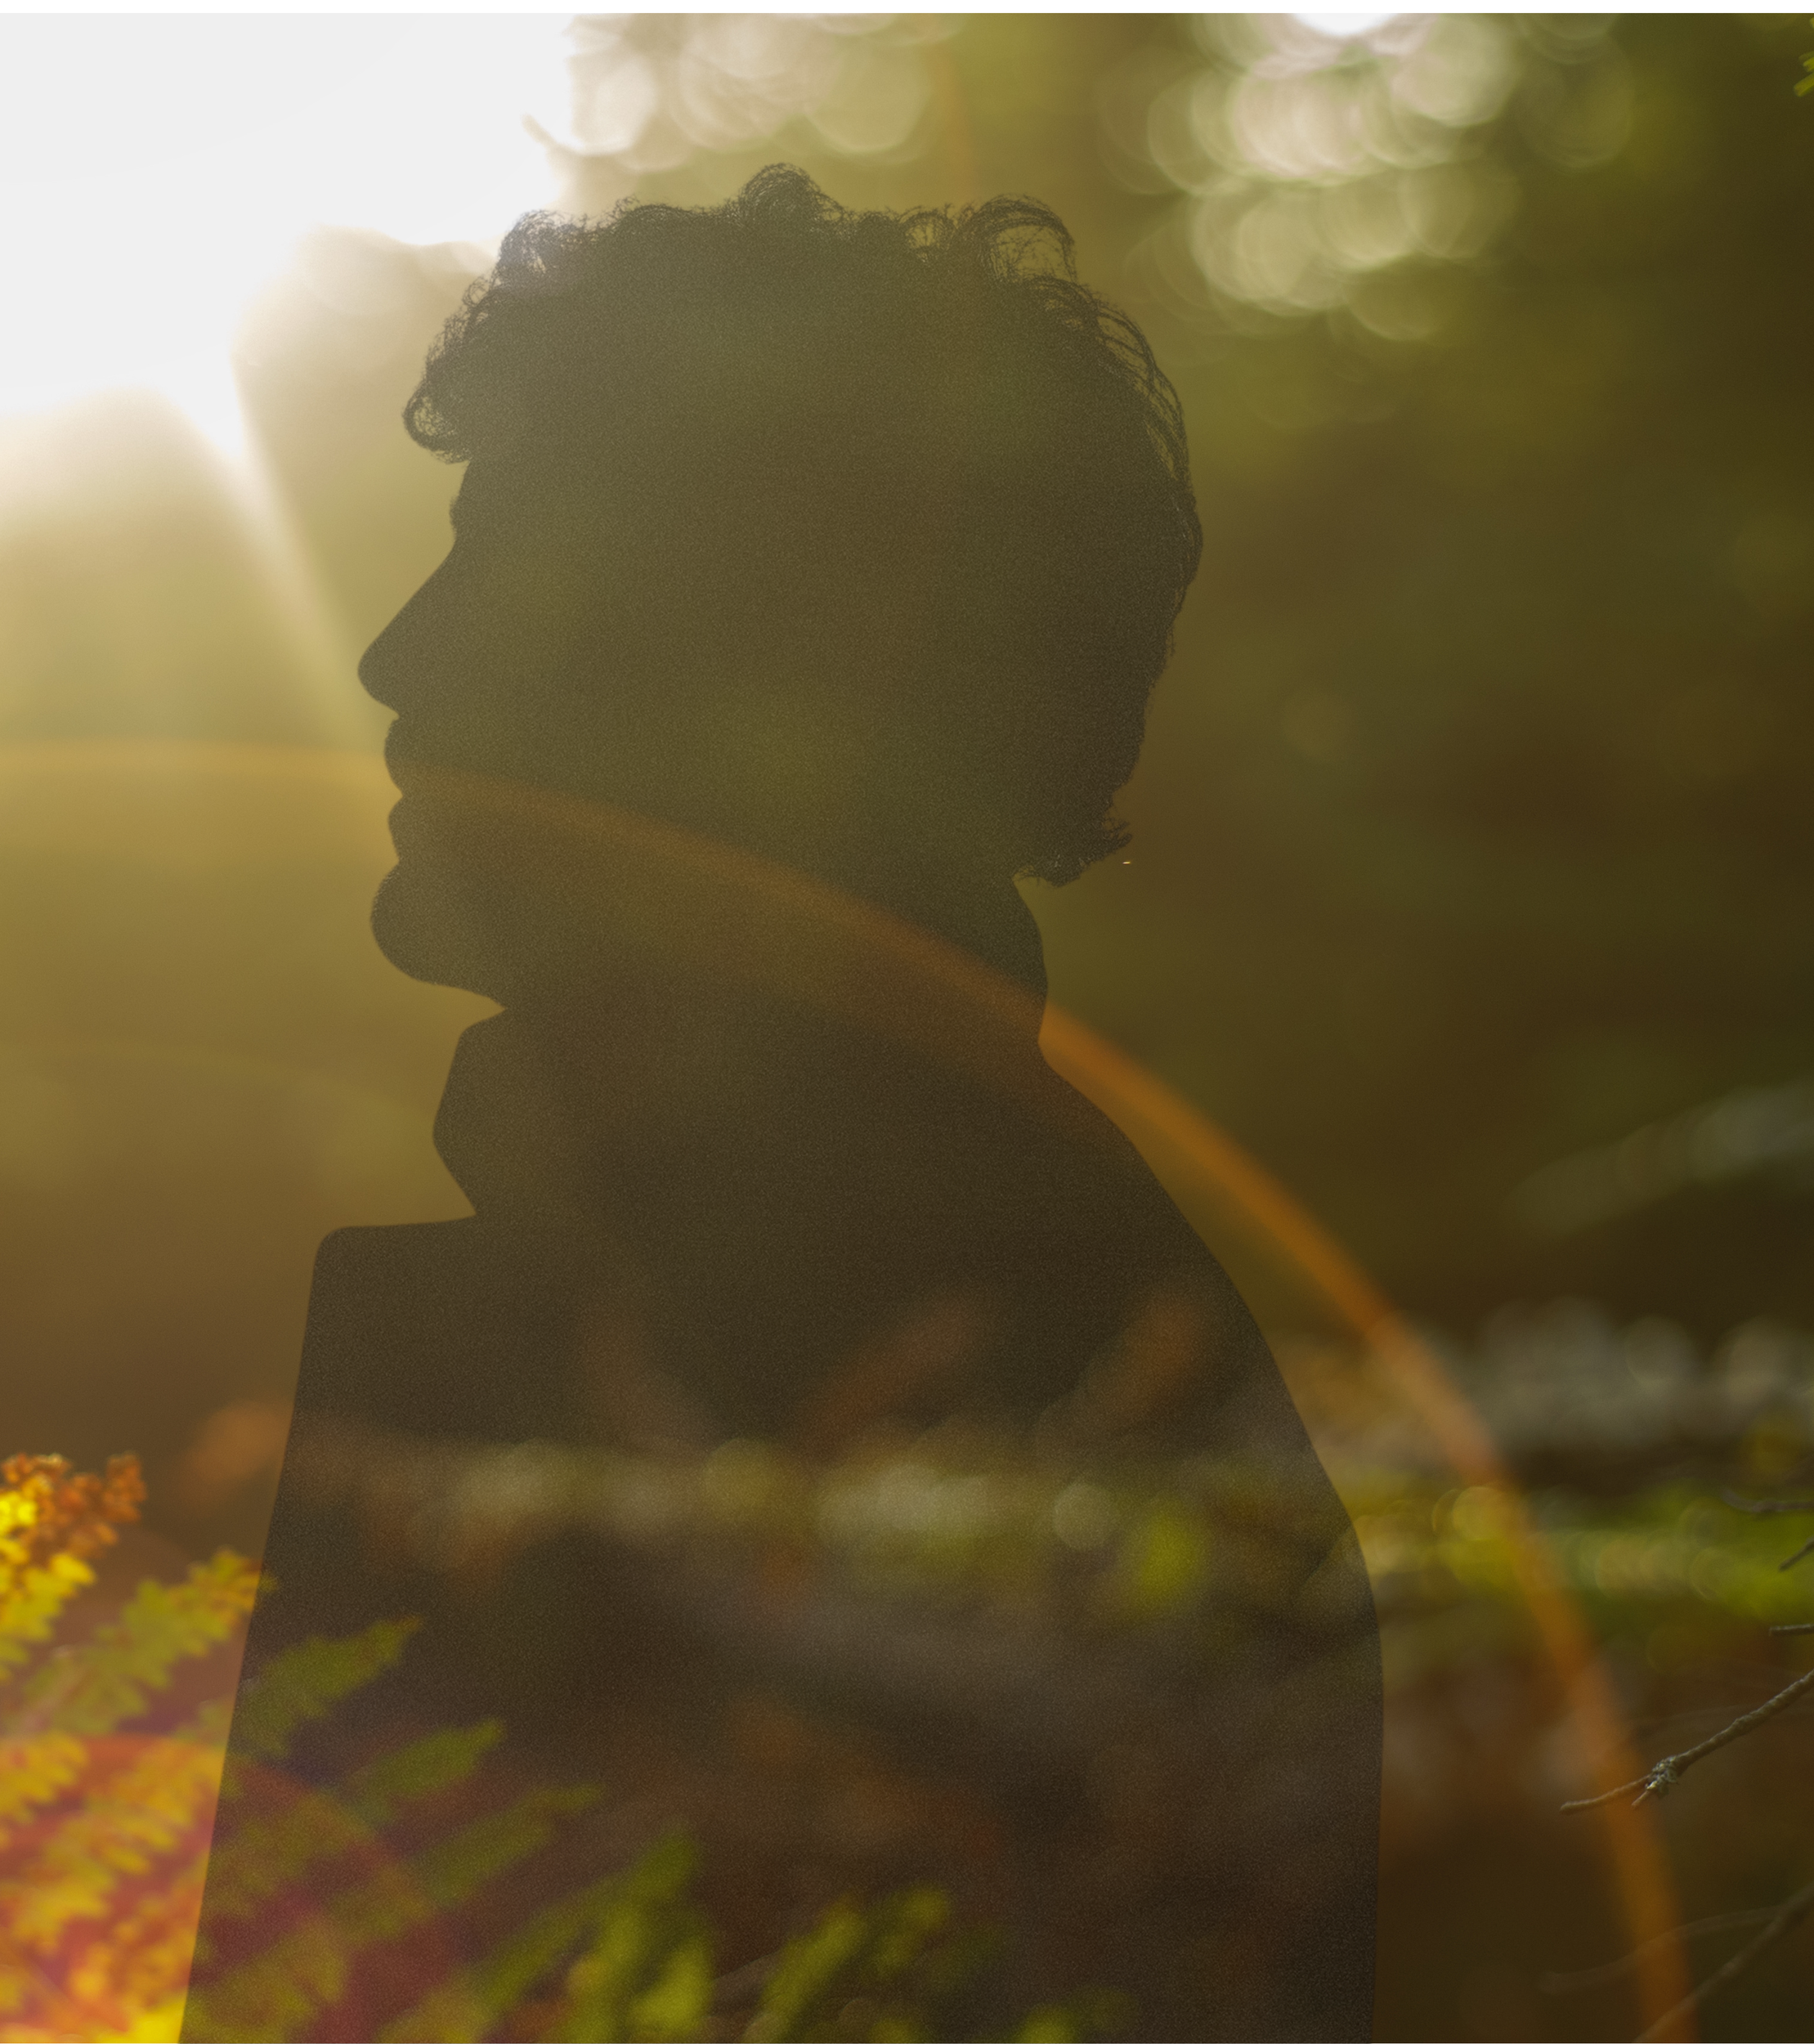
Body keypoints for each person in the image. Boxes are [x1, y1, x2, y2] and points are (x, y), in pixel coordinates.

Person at [190, 166, 1379, 2041]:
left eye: (509, 564)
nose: (398, 658)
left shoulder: (936, 1378)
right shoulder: (914, 1276)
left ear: (778, 695)